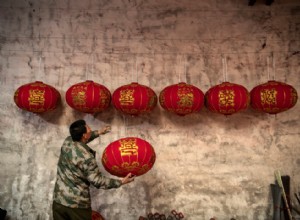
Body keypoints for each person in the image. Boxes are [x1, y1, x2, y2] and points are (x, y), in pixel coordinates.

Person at [52, 119, 135, 220]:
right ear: (84, 135)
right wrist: (120, 182)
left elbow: (81, 140)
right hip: (77, 206)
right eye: (88, 129)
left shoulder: (68, 141)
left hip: (59, 201)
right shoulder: (87, 157)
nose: (90, 129)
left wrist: (98, 132)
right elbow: (97, 181)